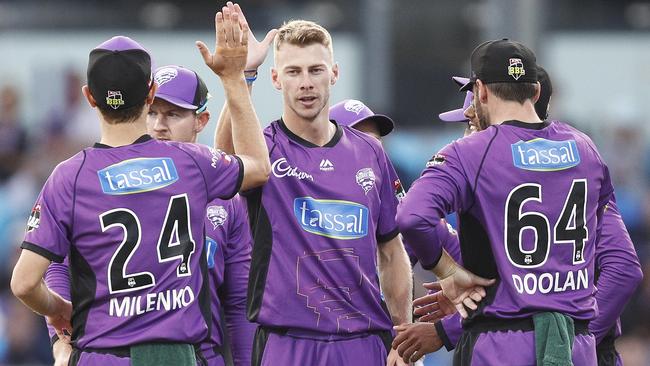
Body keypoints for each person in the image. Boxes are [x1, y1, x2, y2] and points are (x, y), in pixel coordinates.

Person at [11, 6, 270, 365]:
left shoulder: (68, 177)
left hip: (103, 355)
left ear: (89, 97)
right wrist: (234, 78)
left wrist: (57, 310)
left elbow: (23, 284)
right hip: (176, 356)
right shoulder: (189, 162)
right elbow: (258, 167)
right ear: (149, 94)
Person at [394, 67, 644, 365]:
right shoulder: (495, 183)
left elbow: (620, 270)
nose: (466, 134)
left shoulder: (566, 166)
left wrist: (566, 337)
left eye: (473, 122)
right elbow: (504, 291)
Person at [215, 4, 413, 365]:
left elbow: (391, 250)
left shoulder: (369, 151)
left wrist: (403, 335)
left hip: (363, 340)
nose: (305, 81)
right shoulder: (265, 147)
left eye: (315, 70)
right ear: (276, 79)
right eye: (293, 71)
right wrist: (242, 74)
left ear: (334, 73)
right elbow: (225, 158)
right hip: (288, 342)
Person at [43, 65, 258, 366]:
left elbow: (238, 304)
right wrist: (61, 343)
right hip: (114, 352)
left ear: (201, 120)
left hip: (200, 356)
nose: (159, 125)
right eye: (152, 112)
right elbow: (59, 267)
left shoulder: (227, 203)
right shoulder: (102, 182)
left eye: (173, 114)